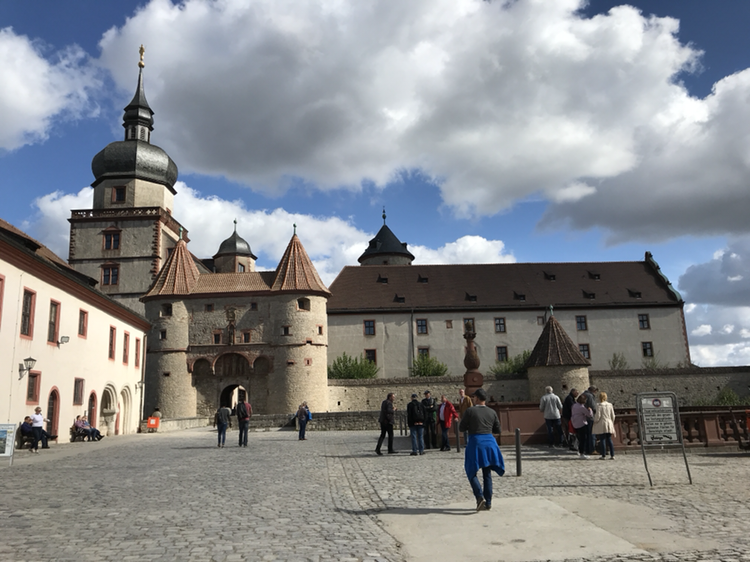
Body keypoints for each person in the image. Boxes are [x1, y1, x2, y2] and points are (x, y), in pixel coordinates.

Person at [459, 388, 505, 511]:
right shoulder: (492, 412)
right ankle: (488, 502)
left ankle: (479, 497)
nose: (473, 399)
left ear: (478, 398)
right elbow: (498, 430)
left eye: (474, 397)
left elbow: (461, 428)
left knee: (471, 470)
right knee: (487, 473)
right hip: (490, 443)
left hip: (476, 442)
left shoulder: (470, 411)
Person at [592, 391, 616, 459]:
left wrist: (595, 421)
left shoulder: (599, 405)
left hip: (602, 423)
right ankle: (612, 454)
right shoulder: (610, 405)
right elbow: (613, 415)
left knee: (602, 439)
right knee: (609, 439)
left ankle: (603, 455)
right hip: (609, 422)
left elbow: (598, 416)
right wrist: (612, 422)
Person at [571, 394, 593, 459]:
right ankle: (582, 453)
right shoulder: (581, 407)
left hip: (575, 423)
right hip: (582, 424)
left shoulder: (574, 405)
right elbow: (589, 415)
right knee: (583, 439)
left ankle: (579, 450)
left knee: (579, 438)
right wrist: (590, 410)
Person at [583, 386, 599, 454]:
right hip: (590, 417)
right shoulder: (590, 396)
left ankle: (586, 449)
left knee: (586, 434)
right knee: (592, 434)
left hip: (584, 417)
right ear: (593, 390)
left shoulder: (583, 394)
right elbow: (593, 406)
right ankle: (592, 449)